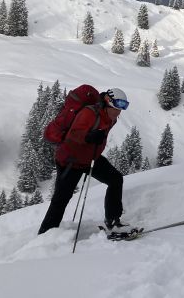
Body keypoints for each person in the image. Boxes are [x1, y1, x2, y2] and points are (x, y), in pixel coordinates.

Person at [38, 88, 132, 235]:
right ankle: (45, 235)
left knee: (115, 179)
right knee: (61, 199)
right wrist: (88, 137)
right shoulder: (89, 113)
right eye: (117, 106)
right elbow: (73, 135)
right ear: (108, 101)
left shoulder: (111, 117)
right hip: (70, 160)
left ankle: (113, 221)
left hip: (90, 158)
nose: (119, 111)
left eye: (123, 107)